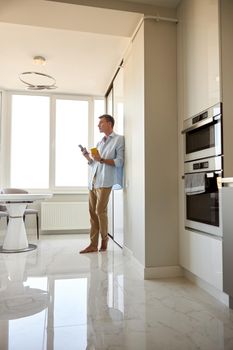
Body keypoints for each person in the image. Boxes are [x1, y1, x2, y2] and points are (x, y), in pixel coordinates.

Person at [79, 114, 124, 253]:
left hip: (106, 181)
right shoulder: (100, 143)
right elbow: (95, 164)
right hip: (93, 181)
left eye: (101, 123)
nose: (99, 125)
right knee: (92, 213)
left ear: (109, 124)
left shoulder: (119, 140)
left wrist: (101, 159)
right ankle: (93, 244)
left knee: (100, 211)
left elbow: (119, 162)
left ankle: (104, 239)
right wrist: (87, 157)